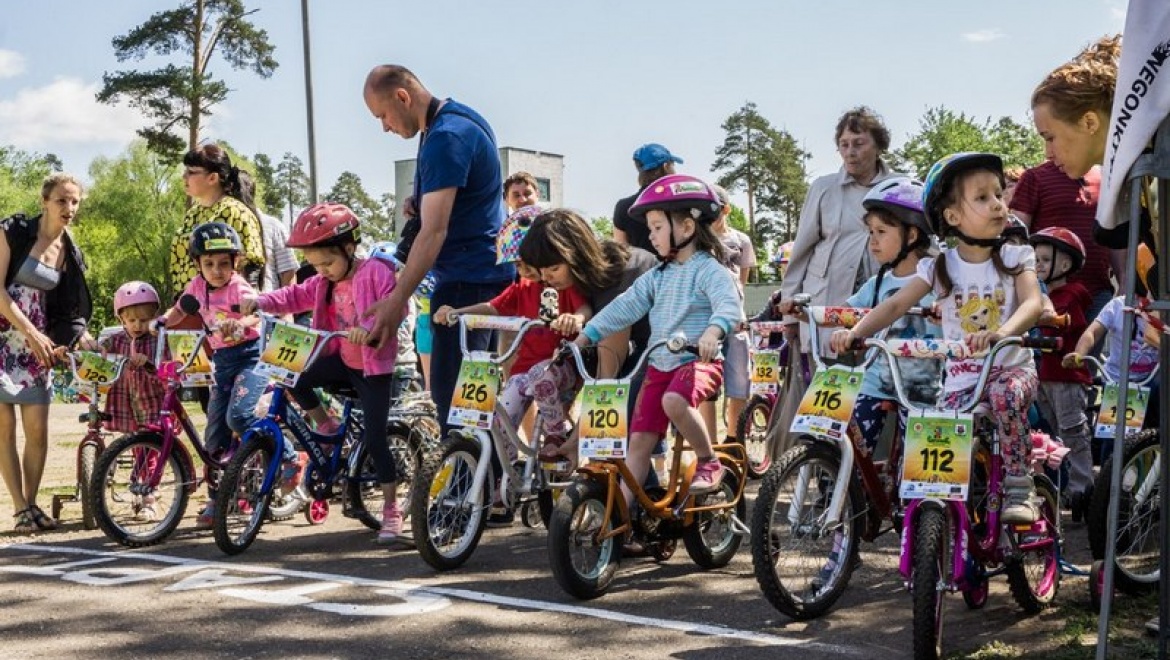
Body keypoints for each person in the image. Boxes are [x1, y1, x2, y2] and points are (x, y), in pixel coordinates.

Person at [830, 153, 1045, 524]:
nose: (998, 203)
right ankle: (934, 525)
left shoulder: (1014, 256)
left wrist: (1004, 333)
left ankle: (1019, 484)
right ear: (952, 217)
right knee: (933, 433)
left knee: (1004, 395)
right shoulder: (941, 265)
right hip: (962, 379)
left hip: (1010, 371)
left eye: (998, 194)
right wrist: (855, 333)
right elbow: (895, 304)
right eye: (982, 197)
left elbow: (1034, 304)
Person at [360, 65, 515, 433]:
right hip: (488, 275)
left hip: (466, 281)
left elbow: (434, 232)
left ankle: (466, 488)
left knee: (453, 402)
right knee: (476, 398)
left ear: (403, 96)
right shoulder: (460, 119)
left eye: (382, 115)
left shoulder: (446, 137)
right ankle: (488, 483)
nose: (384, 126)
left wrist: (396, 300)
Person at [242, 203, 407, 544]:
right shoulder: (322, 283)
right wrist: (260, 301)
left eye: (327, 262)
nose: (323, 271)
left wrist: (369, 326)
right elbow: (294, 295)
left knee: (376, 439)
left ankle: (392, 509)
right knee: (296, 379)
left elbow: (397, 305)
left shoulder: (375, 271)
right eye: (315, 265)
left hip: (371, 367)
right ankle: (328, 426)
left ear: (349, 248)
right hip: (340, 359)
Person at [573, 174, 742, 499]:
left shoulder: (709, 270)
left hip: (698, 362)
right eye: (649, 229)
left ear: (687, 228)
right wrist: (586, 336)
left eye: (657, 228)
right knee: (638, 444)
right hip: (660, 366)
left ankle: (708, 461)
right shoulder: (658, 276)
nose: (651, 236)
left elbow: (728, 304)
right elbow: (624, 306)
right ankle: (620, 517)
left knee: (674, 401)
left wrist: (713, 330)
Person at [435, 205, 590, 457]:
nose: (524, 270)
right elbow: (493, 307)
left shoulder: (562, 284)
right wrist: (458, 311)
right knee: (500, 418)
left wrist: (575, 318)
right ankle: (503, 480)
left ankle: (555, 432)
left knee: (541, 376)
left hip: (561, 366)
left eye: (528, 262)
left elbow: (584, 307)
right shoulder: (521, 288)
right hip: (524, 370)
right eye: (517, 265)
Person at [158, 222, 271, 529]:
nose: (216, 270)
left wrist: (241, 323)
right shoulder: (196, 287)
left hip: (250, 357)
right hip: (222, 361)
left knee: (239, 416)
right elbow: (179, 310)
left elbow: (256, 312)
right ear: (198, 264)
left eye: (224, 263)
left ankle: (285, 457)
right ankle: (217, 497)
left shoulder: (240, 287)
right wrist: (162, 322)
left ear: (235, 263)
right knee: (214, 435)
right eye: (208, 264)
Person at [0, 173, 92, 532]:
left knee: (38, 430)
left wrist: (78, 338)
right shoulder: (15, 229)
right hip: (7, 333)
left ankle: (33, 503)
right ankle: (21, 509)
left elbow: (68, 311)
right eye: (61, 200)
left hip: (36, 345)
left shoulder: (69, 250)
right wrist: (31, 333)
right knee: (4, 426)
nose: (69, 208)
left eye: (74, 202)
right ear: (45, 201)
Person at [844, 178, 941, 455]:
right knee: (846, 444)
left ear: (912, 236)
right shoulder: (876, 283)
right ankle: (837, 490)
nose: (872, 241)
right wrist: (804, 313)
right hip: (875, 382)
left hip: (924, 389)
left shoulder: (939, 278)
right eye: (870, 231)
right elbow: (844, 315)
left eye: (881, 232)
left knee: (917, 471)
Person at [1027, 227, 1092, 518]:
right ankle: (1060, 486)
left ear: (1064, 266)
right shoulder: (1037, 295)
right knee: (1050, 433)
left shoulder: (1071, 295)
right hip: (1044, 376)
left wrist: (1051, 318)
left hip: (1067, 378)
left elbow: (1067, 323)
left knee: (1072, 431)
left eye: (1044, 259)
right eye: (1035, 259)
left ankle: (1082, 487)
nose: (1037, 265)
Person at [1009, 161, 1114, 320]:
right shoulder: (1035, 177)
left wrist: (1125, 282)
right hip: (1049, 297)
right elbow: (1016, 240)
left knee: (1087, 344)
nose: (1049, 150)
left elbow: (1115, 231)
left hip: (1098, 293)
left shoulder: (1108, 177)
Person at [168, 144, 266, 296]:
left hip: (227, 311)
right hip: (192, 306)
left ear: (212, 178)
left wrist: (244, 305)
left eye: (191, 172)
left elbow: (251, 264)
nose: (184, 176)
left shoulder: (234, 211)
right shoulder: (193, 213)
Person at [700, 185, 755, 445]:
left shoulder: (740, 240)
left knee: (739, 379)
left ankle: (734, 439)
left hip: (736, 319)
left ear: (726, 209)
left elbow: (742, 280)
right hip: (707, 319)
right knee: (707, 384)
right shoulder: (699, 241)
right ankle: (708, 443)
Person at [612, 143, 683, 253]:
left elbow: (620, 251)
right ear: (666, 166)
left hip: (640, 269)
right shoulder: (682, 200)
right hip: (684, 269)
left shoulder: (623, 206)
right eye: (672, 164)